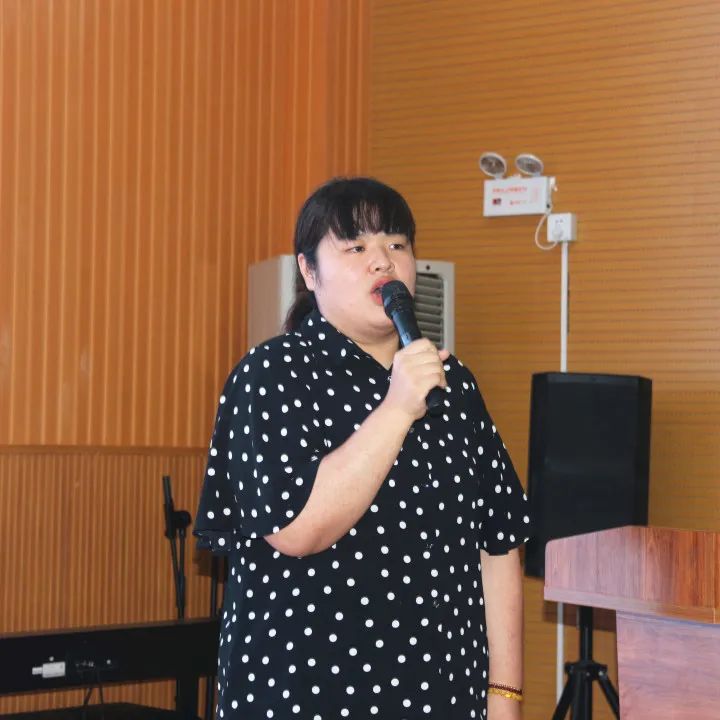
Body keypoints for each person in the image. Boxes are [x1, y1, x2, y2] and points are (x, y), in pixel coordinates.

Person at [194, 177, 532, 720]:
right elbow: (296, 529)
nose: (383, 261)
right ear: (309, 272)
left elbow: (498, 541)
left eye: (397, 244)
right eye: (355, 248)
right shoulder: (273, 373)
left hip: (444, 693)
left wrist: (505, 696)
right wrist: (397, 408)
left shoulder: (453, 384)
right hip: (307, 693)